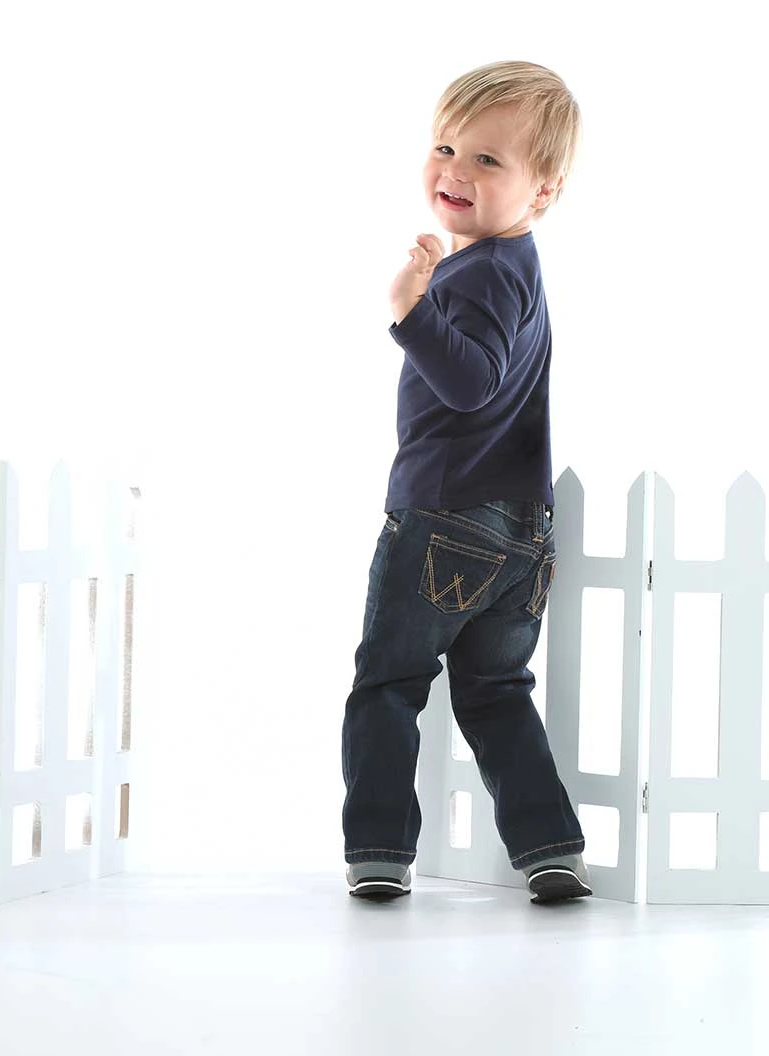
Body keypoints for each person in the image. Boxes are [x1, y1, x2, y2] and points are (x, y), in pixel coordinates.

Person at [342, 60, 591, 905]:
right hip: (522, 530)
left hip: (446, 516)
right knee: (495, 693)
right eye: (446, 147)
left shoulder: (480, 271)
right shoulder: (514, 263)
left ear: (542, 191)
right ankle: (550, 851)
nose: (455, 170)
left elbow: (472, 383)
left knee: (389, 685)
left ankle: (379, 850)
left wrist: (411, 308)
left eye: (488, 159)